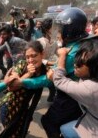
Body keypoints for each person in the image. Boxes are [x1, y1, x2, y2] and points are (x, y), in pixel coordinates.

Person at [9, 8, 88, 138]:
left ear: (69, 30)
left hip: (70, 96)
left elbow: (48, 78)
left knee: (48, 122)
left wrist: (22, 81)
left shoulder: (71, 52)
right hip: (79, 94)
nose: (58, 32)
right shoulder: (83, 43)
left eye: (61, 28)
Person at [48, 37, 98, 138]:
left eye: (81, 63)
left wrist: (62, 55)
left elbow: (59, 80)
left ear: (96, 67)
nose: (75, 64)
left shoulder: (91, 89)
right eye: (77, 58)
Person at [0, 41, 51, 137]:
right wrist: (28, 74)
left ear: (42, 54)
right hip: (9, 107)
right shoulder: (21, 65)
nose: (30, 60)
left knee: (21, 131)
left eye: (34, 56)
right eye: (27, 57)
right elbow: (11, 86)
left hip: (24, 108)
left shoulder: (45, 70)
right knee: (10, 132)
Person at [37, 18, 58, 102]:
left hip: (51, 67)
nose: (56, 30)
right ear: (46, 29)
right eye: (53, 28)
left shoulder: (54, 41)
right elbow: (37, 59)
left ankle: (51, 97)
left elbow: (57, 52)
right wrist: (49, 63)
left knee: (52, 85)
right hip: (41, 68)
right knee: (38, 90)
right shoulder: (40, 42)